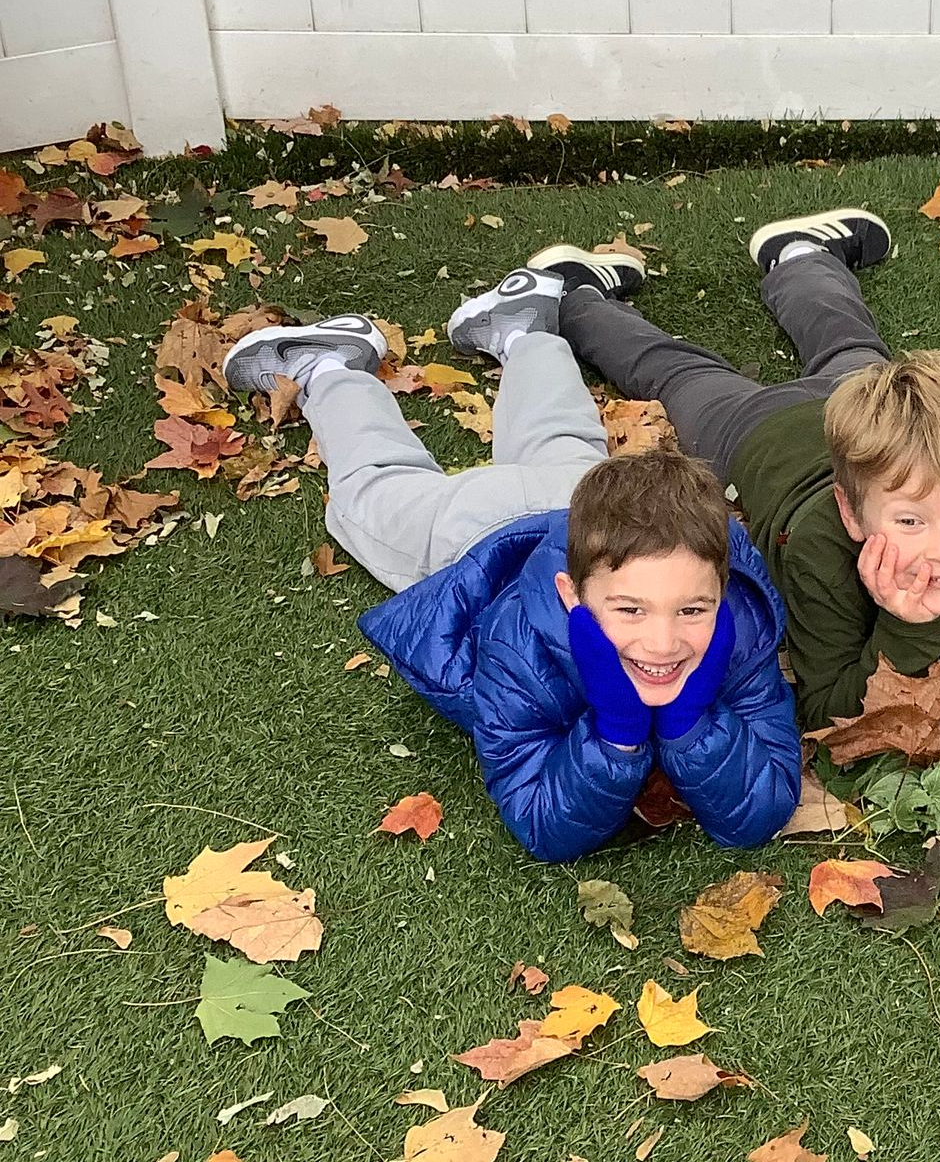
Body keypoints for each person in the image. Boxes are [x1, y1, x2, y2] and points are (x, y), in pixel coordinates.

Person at [221, 259, 801, 861]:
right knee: (374, 488)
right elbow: (543, 827)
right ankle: (329, 367)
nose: (662, 643)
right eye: (631, 610)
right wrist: (617, 733)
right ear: (570, 595)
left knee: (562, 442)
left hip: (572, 499)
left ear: (721, 588)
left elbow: (762, 810)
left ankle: (525, 328)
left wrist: (690, 721)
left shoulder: (737, 626)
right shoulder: (520, 646)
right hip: (470, 530)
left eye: (692, 610)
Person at [555, 208, 940, 733]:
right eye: (910, 521)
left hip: (863, 418)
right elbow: (828, 712)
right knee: (678, 371)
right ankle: (572, 295)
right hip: (757, 430)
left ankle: (799, 253)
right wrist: (907, 626)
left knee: (852, 345)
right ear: (851, 514)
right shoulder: (820, 546)